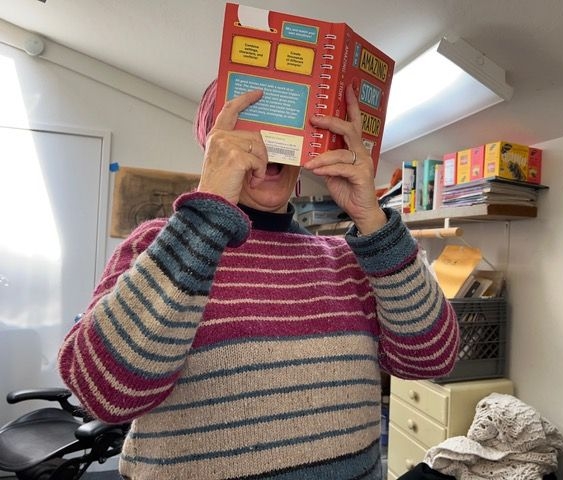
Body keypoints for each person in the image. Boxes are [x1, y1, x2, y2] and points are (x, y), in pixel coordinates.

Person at [57, 78, 460, 480]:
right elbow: (103, 392)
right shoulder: (161, 244)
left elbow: (432, 357)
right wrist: (207, 209)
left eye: (284, 130)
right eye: (246, 131)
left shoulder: (348, 258)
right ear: (213, 145)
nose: (265, 147)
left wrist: (373, 222)